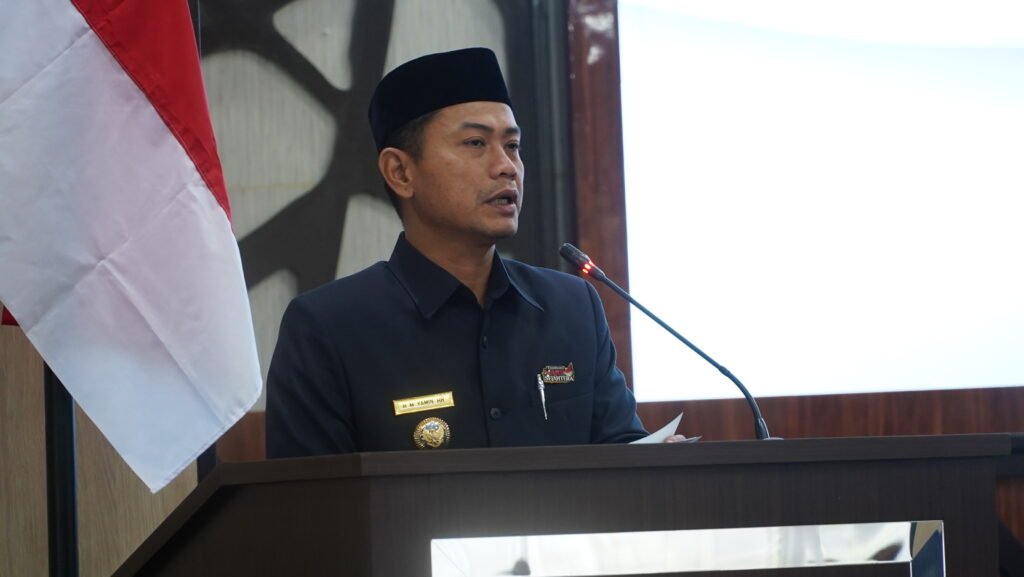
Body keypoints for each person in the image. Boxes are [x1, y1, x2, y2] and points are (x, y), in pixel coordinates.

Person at [265, 47, 649, 457]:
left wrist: (658, 463)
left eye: (513, 146)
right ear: (401, 172)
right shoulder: (328, 329)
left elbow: (621, 455)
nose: (506, 167)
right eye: (475, 142)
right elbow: (306, 507)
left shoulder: (572, 308)